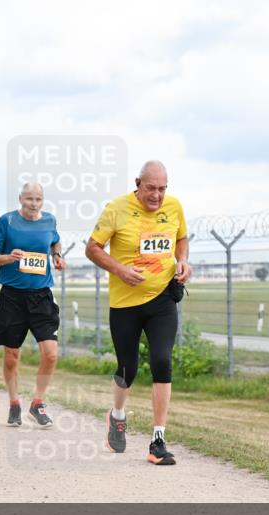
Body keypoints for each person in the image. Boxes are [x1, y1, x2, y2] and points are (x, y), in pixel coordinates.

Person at [84, 161, 191, 466]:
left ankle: (158, 440)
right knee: (127, 368)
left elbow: (181, 239)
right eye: (150, 188)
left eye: (162, 188)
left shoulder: (174, 207)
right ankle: (117, 416)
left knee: (162, 360)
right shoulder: (116, 209)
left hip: (162, 299)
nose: (157, 195)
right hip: (125, 303)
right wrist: (119, 270)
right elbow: (92, 248)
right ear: (137, 183)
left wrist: (182, 261)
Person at [0, 182, 65, 427]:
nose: (34, 203)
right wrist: (8, 258)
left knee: (51, 354)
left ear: (43, 201)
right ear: (20, 199)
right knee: (12, 356)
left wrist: (57, 256)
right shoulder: (6, 221)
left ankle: (37, 403)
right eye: (29, 198)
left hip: (41, 296)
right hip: (12, 296)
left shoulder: (49, 220)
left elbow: (55, 242)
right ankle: (14, 404)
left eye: (38, 199)